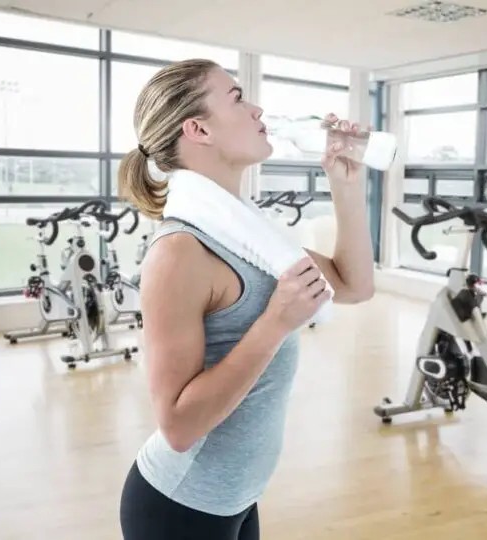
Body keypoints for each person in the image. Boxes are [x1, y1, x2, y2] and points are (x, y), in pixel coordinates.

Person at [116, 58, 376, 540]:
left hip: (238, 498)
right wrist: (275, 322)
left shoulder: (251, 235)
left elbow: (354, 284)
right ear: (198, 128)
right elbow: (177, 426)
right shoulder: (179, 252)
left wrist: (346, 184)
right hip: (179, 509)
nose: (257, 109)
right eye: (235, 97)